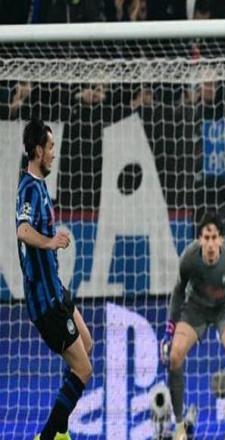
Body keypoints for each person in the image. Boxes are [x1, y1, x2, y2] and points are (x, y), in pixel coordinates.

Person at [16, 119, 93, 440]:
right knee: (84, 370)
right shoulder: (29, 189)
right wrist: (50, 242)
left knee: (87, 344)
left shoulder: (39, 185)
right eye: (50, 147)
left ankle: (60, 428)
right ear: (37, 151)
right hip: (45, 302)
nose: (53, 153)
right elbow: (22, 231)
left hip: (55, 290)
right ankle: (49, 436)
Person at [160, 212, 225, 440]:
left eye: (214, 238)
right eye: (206, 238)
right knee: (174, 357)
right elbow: (178, 292)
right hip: (195, 309)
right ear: (199, 239)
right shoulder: (189, 258)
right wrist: (168, 332)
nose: (210, 243)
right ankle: (179, 427)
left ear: (221, 239)